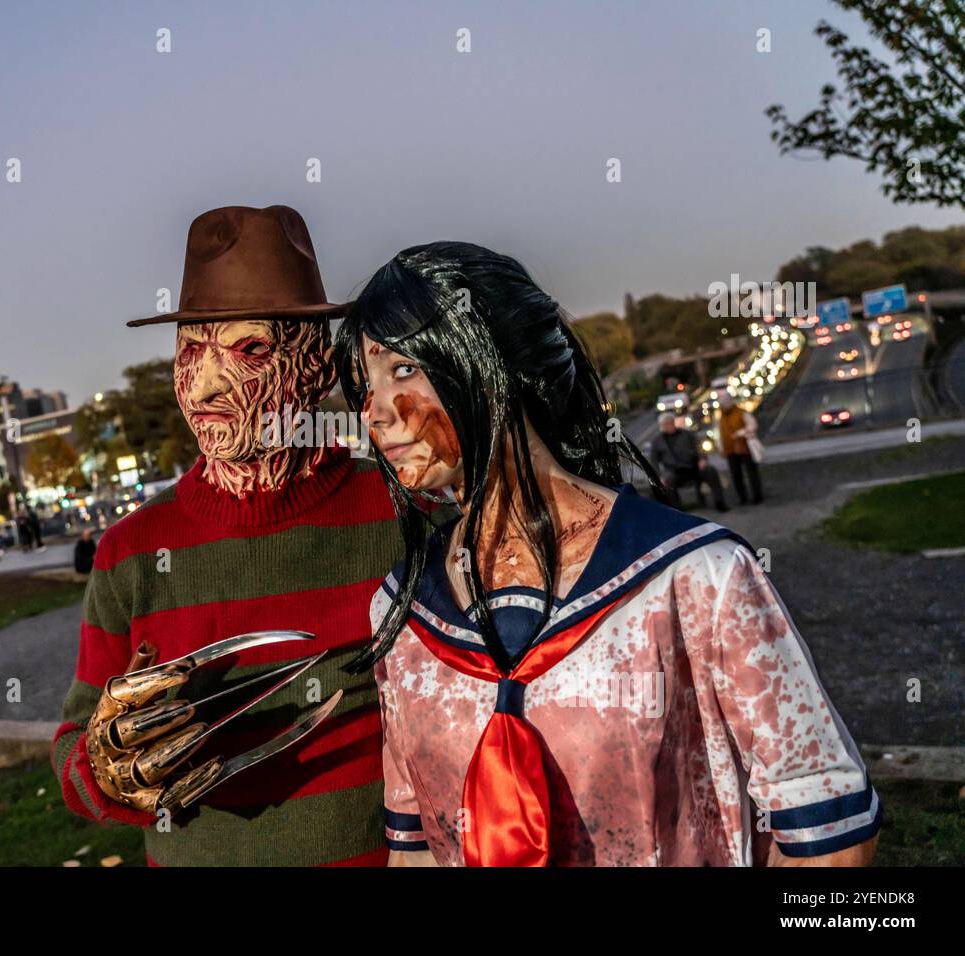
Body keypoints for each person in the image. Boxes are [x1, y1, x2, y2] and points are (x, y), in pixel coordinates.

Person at [334, 241, 879, 867]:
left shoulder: (694, 578)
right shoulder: (402, 615)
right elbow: (416, 850)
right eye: (364, 385)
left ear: (495, 363)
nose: (373, 413)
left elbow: (828, 835)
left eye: (403, 369)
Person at [52, 205, 405, 866]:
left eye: (250, 350)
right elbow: (74, 746)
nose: (206, 383)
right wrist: (102, 767)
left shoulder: (399, 512)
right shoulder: (130, 552)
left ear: (317, 366)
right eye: (191, 349)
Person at [648, 412, 729, 511]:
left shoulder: (686, 434)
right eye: (665, 424)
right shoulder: (657, 441)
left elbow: (699, 447)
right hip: (674, 471)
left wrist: (702, 459)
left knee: (711, 471)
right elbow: (654, 461)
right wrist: (659, 476)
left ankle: (719, 502)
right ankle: (677, 509)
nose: (668, 425)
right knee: (668, 481)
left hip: (693, 466)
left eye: (670, 423)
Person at [719, 398, 764, 505]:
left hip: (744, 447)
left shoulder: (741, 413)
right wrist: (721, 448)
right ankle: (742, 497)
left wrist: (740, 433)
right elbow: (720, 433)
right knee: (736, 475)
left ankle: (757, 495)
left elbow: (752, 425)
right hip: (730, 449)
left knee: (751, 472)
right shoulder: (721, 417)